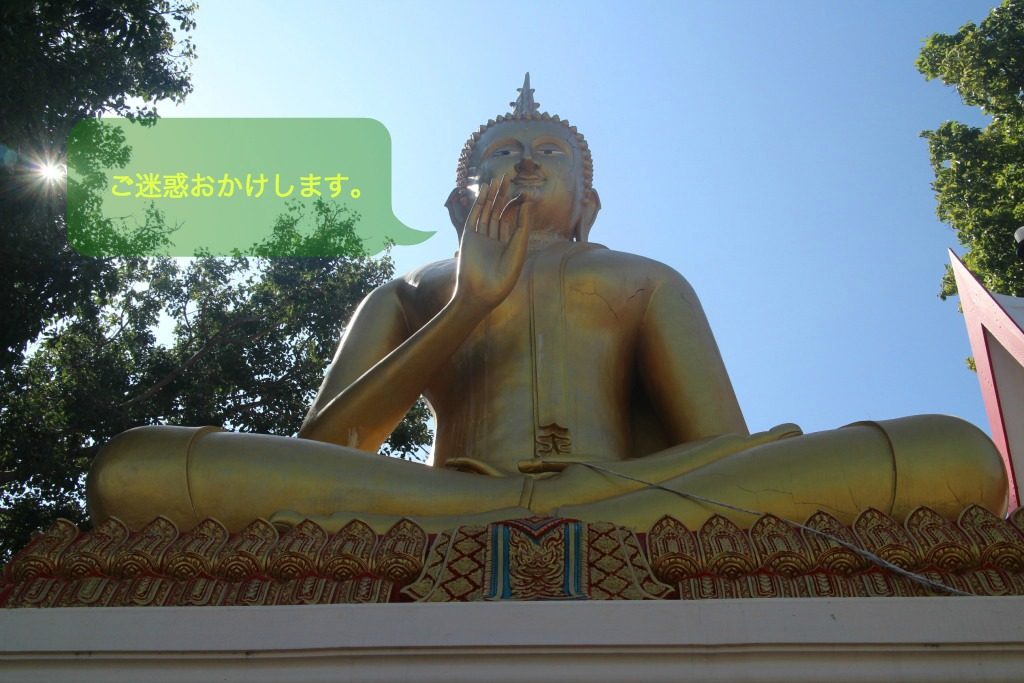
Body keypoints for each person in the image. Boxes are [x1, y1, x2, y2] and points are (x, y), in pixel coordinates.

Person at [87, 75, 1008, 534]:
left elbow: (725, 452)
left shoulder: (642, 278)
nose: (525, 159)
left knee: (956, 452)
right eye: (502, 152)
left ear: (588, 203)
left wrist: (594, 487)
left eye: (549, 153)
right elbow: (328, 450)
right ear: (462, 202)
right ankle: (536, 514)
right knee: (135, 468)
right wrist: (467, 303)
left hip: (631, 492)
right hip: (437, 495)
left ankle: (564, 511)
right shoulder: (410, 292)